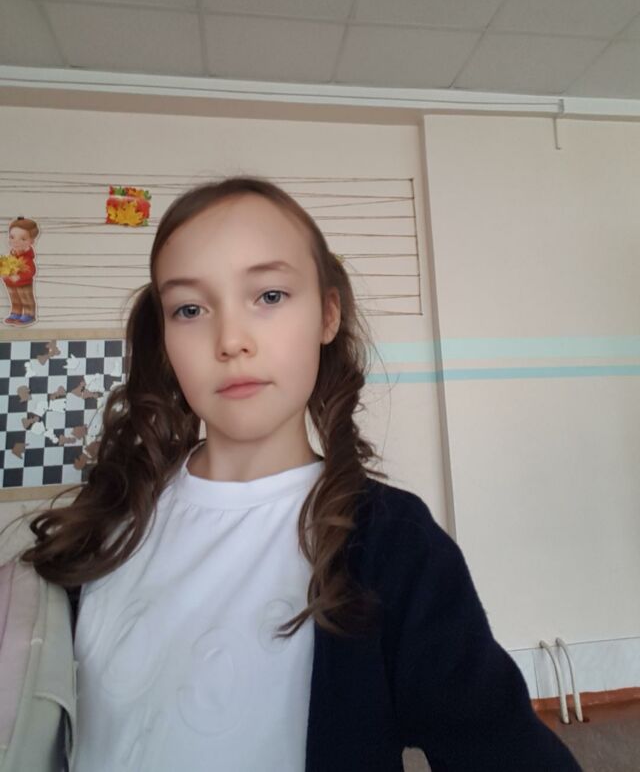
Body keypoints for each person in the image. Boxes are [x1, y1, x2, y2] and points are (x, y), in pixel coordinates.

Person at [13, 177, 582, 771]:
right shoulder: (110, 519)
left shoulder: (391, 543)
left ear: (327, 315)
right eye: (190, 309)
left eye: (269, 296)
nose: (231, 341)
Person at [1, 215, 39, 326]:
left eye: (23, 239)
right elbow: (8, 265)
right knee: (14, 299)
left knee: (26, 299)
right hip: (10, 282)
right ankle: (15, 313)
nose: (16, 242)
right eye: (12, 237)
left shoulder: (27, 257)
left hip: (23, 283)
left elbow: (31, 271)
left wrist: (19, 277)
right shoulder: (12, 254)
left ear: (31, 241)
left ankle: (29, 314)